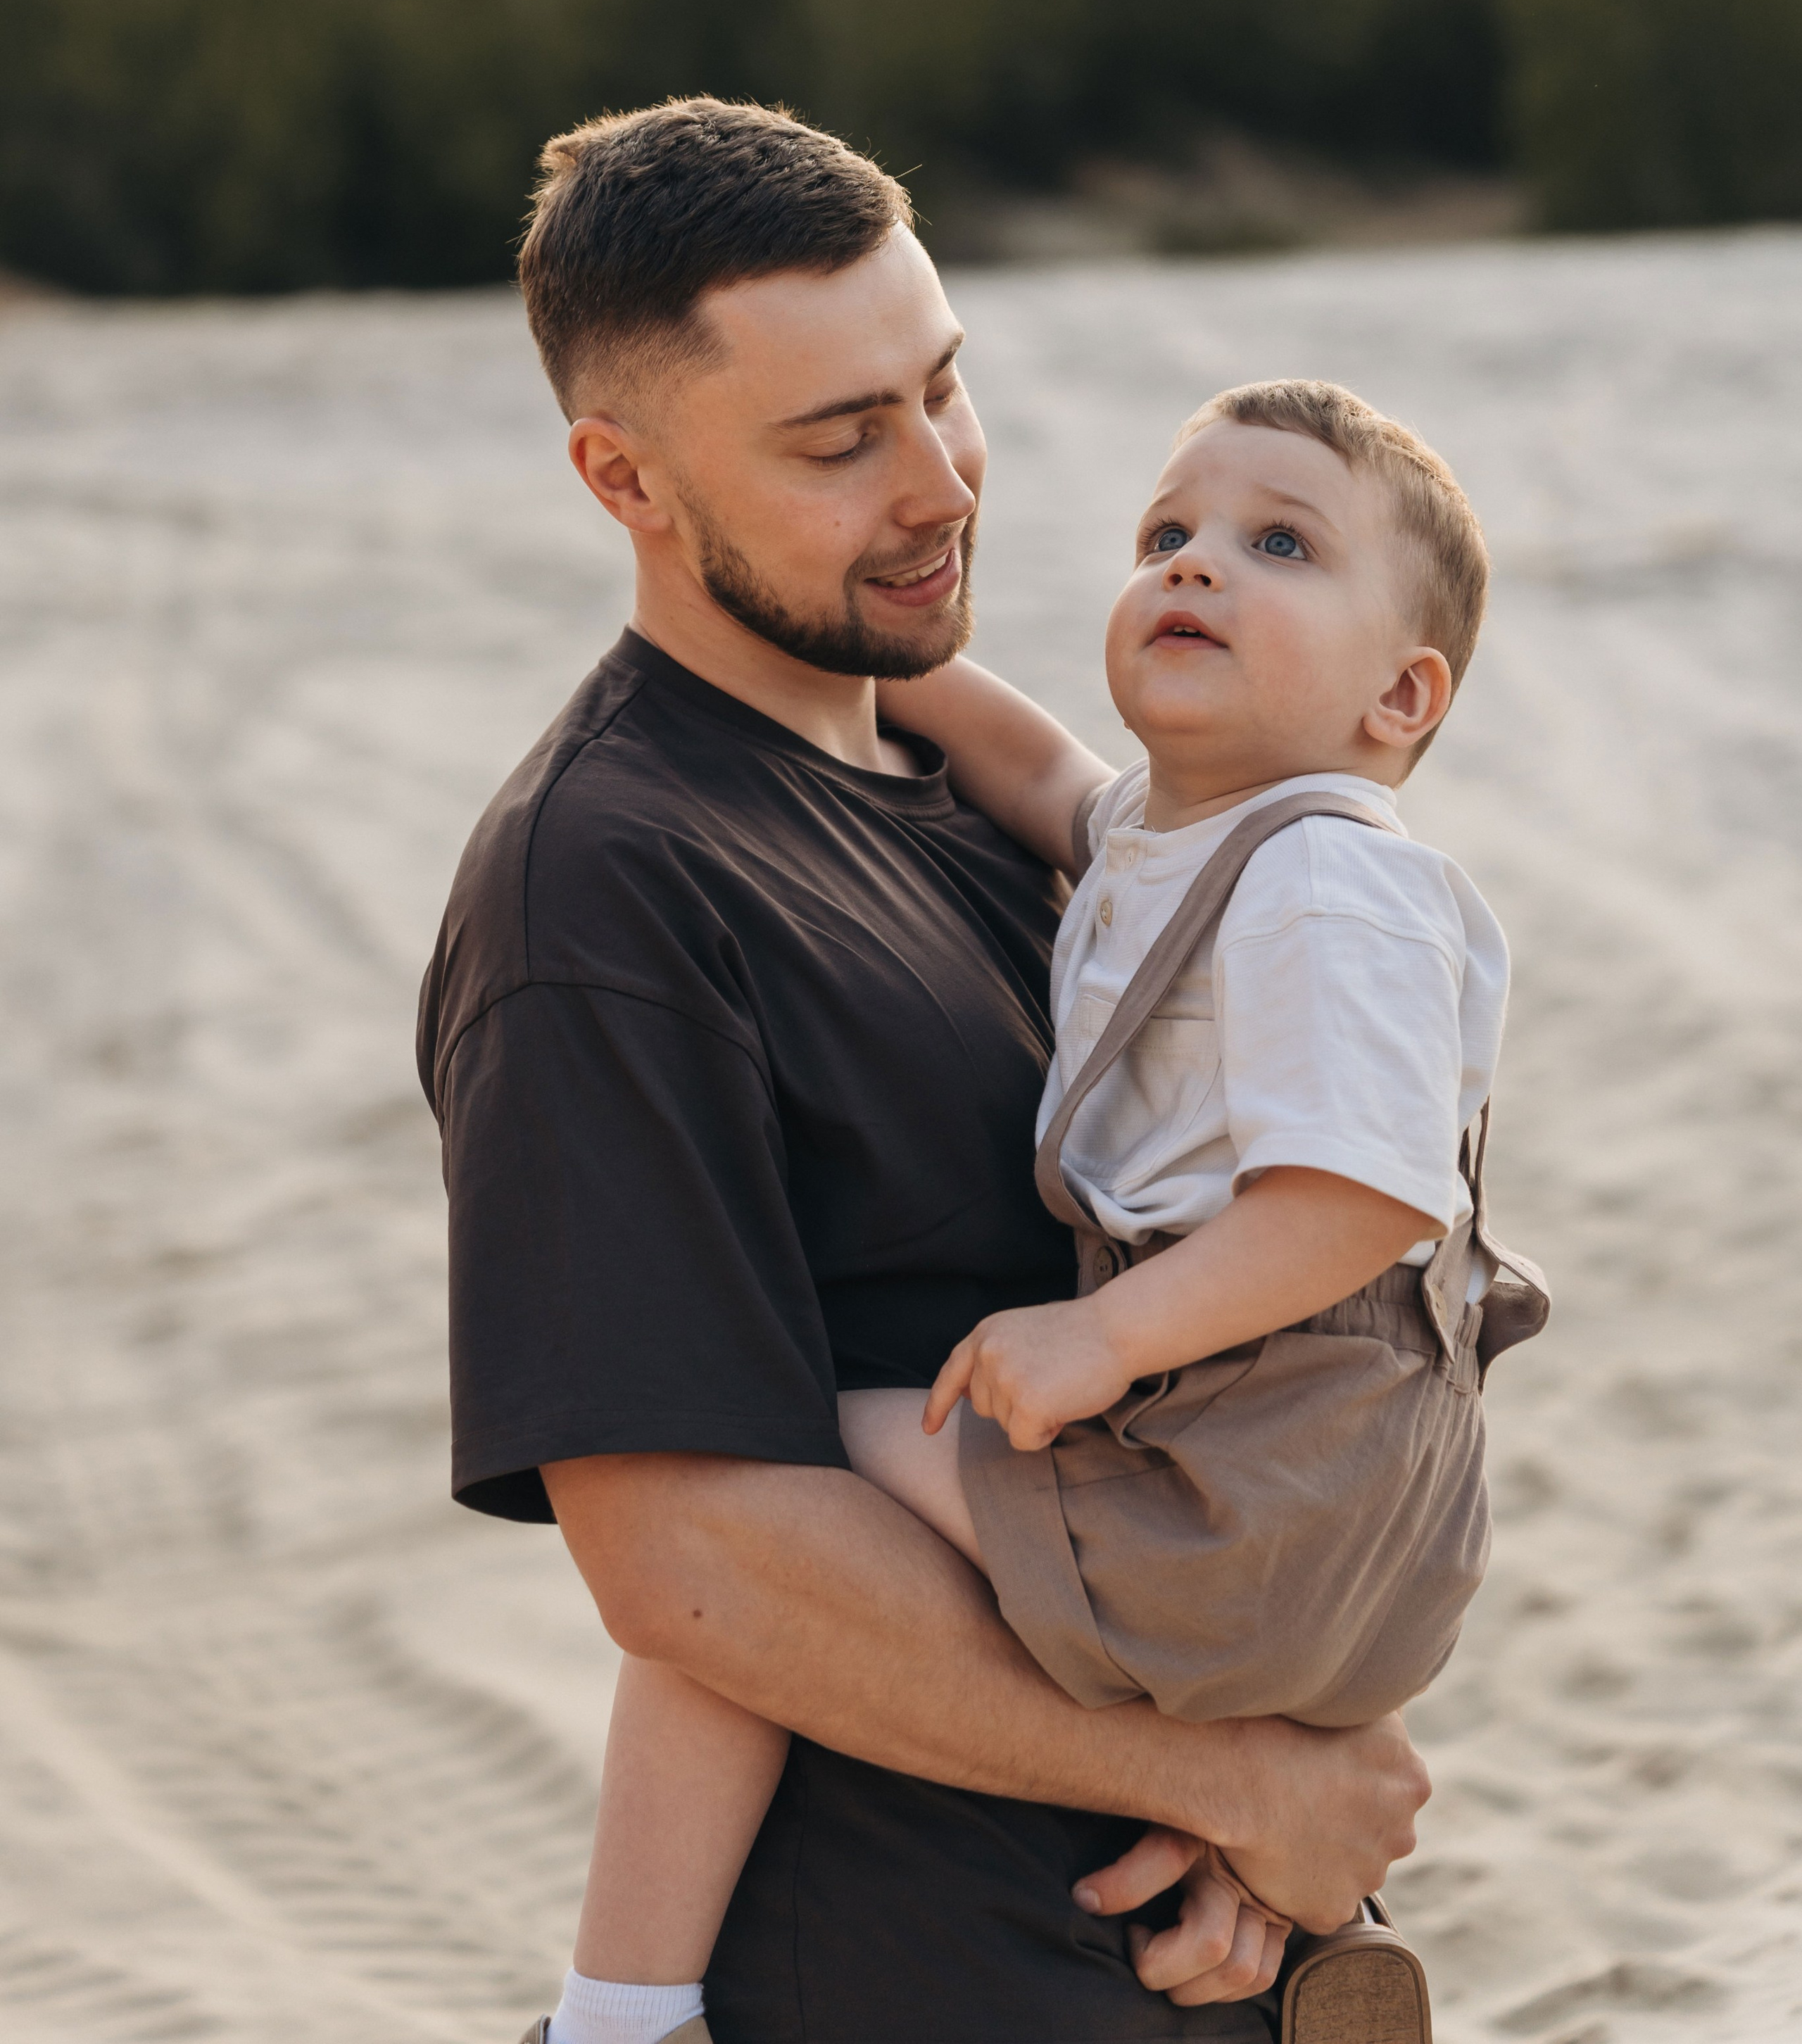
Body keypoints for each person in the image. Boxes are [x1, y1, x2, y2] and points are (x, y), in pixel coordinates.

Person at [417, 99, 1430, 2044]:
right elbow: (691, 1558)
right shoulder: (603, 889)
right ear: (622, 477)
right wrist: (1230, 1788)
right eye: (838, 440)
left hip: (1180, 1937)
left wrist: (1261, 1801)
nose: (941, 482)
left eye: (941, 392)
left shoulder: (983, 786)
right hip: (892, 1971)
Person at [565, 366, 1549, 2042]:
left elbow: (1358, 1197)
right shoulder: (1177, 839)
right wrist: (851, 639)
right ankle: (1289, 1899)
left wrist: (1107, 1334)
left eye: (1276, 544)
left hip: (1259, 1464)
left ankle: (618, 2016)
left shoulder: (1331, 874)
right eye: (1165, 530)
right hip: (1300, 1498)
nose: (1190, 564)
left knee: (759, 1490)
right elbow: (1031, 765)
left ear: (1399, 697)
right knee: (844, 1551)